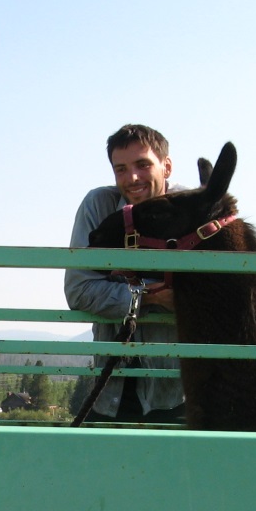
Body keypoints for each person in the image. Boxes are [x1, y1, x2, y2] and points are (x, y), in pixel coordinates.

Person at [65, 123, 188, 423]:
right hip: (110, 388)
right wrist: (153, 295)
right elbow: (79, 290)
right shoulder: (99, 205)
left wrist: (122, 286)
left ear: (167, 166)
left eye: (143, 165)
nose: (132, 178)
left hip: (176, 392)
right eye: (120, 169)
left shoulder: (191, 209)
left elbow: (206, 292)